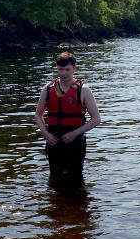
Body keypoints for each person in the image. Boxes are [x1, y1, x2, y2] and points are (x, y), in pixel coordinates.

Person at [34, 52, 101, 187]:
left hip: (75, 142)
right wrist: (46, 134)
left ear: (74, 68)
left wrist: (75, 133)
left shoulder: (83, 90)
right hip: (54, 142)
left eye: (67, 69)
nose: (63, 73)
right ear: (57, 68)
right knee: (54, 180)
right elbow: (38, 115)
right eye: (60, 69)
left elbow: (96, 119)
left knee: (76, 180)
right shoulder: (47, 89)